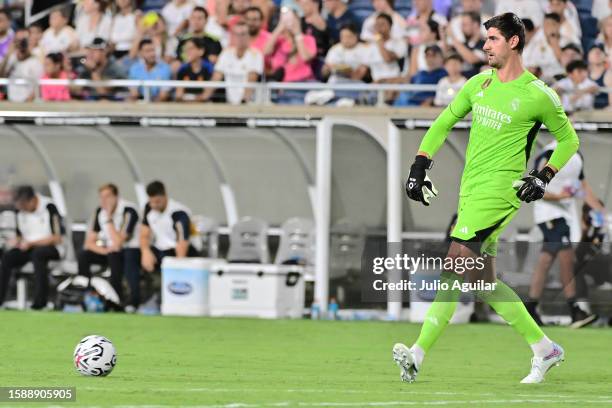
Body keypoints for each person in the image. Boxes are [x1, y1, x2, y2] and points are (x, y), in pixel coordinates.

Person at [394, 13, 579, 384]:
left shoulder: (538, 94)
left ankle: (418, 352)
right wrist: (418, 166)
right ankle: (544, 349)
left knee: (456, 260)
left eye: (492, 38)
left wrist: (543, 177)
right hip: (471, 190)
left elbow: (570, 140)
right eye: (485, 39)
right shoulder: (477, 84)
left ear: (513, 42)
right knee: (482, 283)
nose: (485, 46)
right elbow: (442, 123)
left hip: (500, 192)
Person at [526, 142, 605, 328]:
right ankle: (575, 311)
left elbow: (584, 189)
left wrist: (602, 213)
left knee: (545, 261)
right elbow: (534, 188)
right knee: (567, 259)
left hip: (562, 217)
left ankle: (530, 308)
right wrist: (560, 197)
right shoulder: (548, 153)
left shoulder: (577, 157)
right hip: (550, 216)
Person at [78, 183, 141, 310]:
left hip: (129, 250)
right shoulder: (99, 211)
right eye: (101, 197)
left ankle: (119, 301)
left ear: (116, 196)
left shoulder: (129, 210)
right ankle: (89, 293)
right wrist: (105, 251)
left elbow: (119, 241)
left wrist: (108, 219)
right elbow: (89, 243)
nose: (104, 200)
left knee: (116, 257)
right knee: (84, 255)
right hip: (110, 251)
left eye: (107, 196)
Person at [0, 186, 64, 310]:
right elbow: (20, 235)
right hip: (28, 247)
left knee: (38, 254)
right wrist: (16, 241)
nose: (22, 209)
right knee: (8, 257)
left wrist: (32, 243)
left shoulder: (49, 207)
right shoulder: (19, 211)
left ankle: (40, 303)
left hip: (51, 248)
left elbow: (57, 237)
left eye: (24, 205)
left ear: (32, 200)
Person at [140, 181, 197, 275]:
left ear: (165, 196)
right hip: (161, 249)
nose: (154, 205)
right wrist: (145, 252)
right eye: (151, 202)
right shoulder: (148, 207)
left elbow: (182, 243)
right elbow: (144, 234)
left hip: (179, 250)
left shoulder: (178, 213)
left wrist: (178, 269)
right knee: (136, 254)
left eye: (157, 202)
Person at [202, 22, 262, 104]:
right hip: (230, 104)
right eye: (237, 34)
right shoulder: (226, 53)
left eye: (243, 34)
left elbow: (252, 79)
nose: (240, 38)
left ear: (249, 36)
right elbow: (216, 77)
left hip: (251, 105)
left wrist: (243, 102)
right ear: (233, 36)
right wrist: (203, 98)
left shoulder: (256, 54)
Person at [175, 37, 214, 101]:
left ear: (201, 51)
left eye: (191, 49)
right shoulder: (183, 69)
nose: (187, 52)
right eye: (186, 49)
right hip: (186, 106)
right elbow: (179, 95)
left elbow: (206, 95)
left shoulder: (209, 68)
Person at [587, 44, 612, 109]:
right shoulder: (583, 75)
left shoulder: (609, 75)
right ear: (588, 57)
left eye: (599, 52)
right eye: (593, 52)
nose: (596, 54)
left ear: (605, 57)